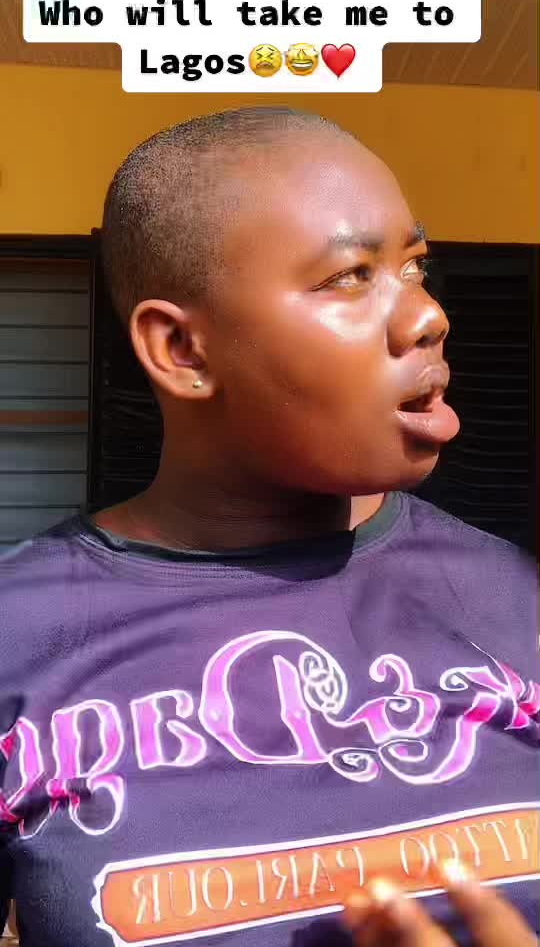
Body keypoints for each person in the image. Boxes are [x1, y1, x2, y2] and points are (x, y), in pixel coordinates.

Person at [0, 107, 538, 947]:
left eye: (415, 266)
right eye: (351, 276)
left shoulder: (511, 596)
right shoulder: (20, 628)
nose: (427, 315)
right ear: (182, 350)